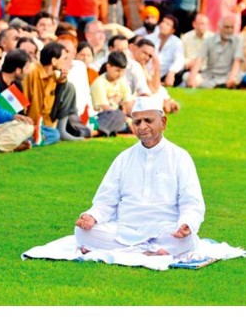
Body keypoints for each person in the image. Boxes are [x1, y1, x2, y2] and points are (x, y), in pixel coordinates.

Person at [74, 96, 205, 256]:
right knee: (82, 233)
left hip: (164, 230)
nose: (142, 126)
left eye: (148, 120)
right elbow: (106, 201)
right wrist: (92, 216)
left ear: (163, 122)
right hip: (125, 228)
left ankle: (126, 251)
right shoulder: (124, 158)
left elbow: (192, 202)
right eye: (137, 122)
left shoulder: (179, 157)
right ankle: (149, 252)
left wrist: (187, 224)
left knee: (187, 240)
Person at [22, 41, 83, 143]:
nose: (67, 62)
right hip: (25, 123)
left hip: (41, 125)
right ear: (54, 60)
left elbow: (53, 108)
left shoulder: (53, 76)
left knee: (55, 134)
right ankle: (28, 140)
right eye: (64, 59)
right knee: (53, 135)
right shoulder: (32, 72)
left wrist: (62, 82)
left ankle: (34, 139)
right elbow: (23, 100)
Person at [186, 16, 244, 89]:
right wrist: (192, 77)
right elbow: (199, 59)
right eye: (227, 27)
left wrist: (231, 77)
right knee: (186, 76)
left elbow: (237, 61)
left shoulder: (238, 40)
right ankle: (214, 85)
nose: (229, 30)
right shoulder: (209, 40)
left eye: (232, 27)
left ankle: (216, 85)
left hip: (228, 75)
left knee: (239, 77)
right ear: (220, 27)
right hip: (210, 75)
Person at [146, 14, 185, 87]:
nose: (163, 25)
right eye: (163, 22)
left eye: (167, 24)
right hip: (148, 73)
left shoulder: (177, 42)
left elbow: (179, 60)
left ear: (172, 30)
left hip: (166, 74)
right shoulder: (148, 39)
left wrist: (171, 72)